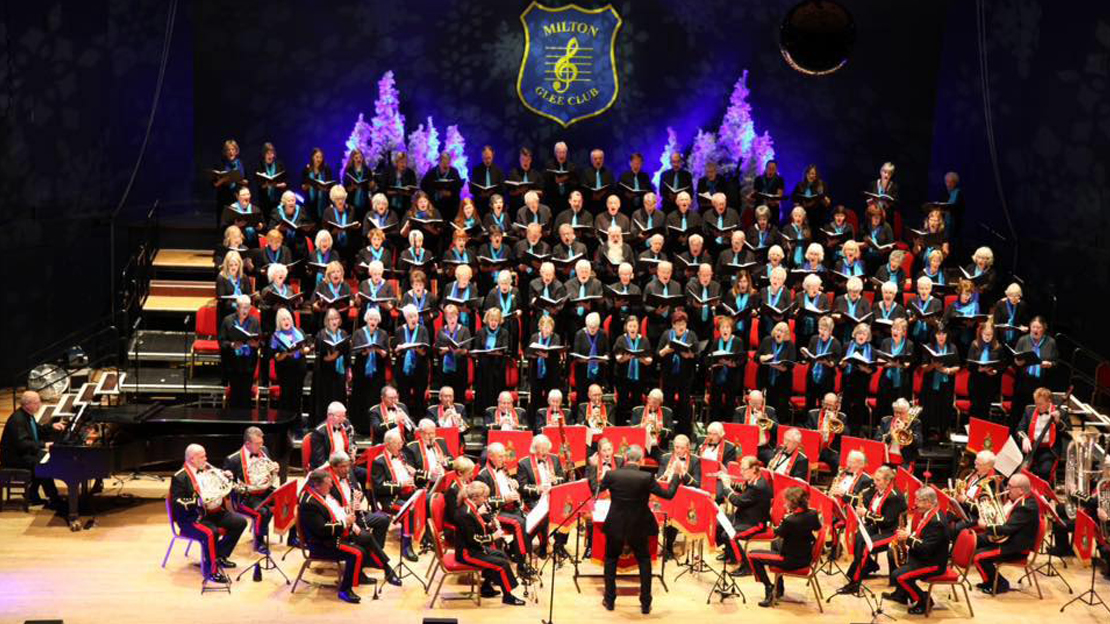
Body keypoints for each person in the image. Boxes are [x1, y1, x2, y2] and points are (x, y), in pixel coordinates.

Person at [599, 444, 683, 614]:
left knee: (611, 560)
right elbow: (668, 495)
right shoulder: (647, 477)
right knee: (644, 561)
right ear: (641, 460)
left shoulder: (611, 475)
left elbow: (594, 490)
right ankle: (645, 603)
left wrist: (596, 470)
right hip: (639, 525)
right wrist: (676, 474)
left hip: (616, 524)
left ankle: (610, 600)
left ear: (625, 458)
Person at [300, 468, 400, 604]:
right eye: (328, 484)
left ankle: (379, 570)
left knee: (365, 537)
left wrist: (351, 520)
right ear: (317, 485)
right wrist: (345, 523)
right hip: (323, 544)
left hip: (333, 535)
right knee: (357, 553)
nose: (331, 486)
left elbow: (336, 511)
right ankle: (345, 590)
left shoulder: (322, 495)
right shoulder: (309, 503)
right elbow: (321, 530)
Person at [170, 444, 247, 583]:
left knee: (239, 522)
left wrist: (226, 477)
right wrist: (198, 502)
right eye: (202, 457)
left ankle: (219, 556)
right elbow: (176, 502)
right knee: (211, 533)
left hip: (213, 513)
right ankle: (211, 571)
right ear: (192, 459)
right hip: (193, 518)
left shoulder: (208, 470)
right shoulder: (180, 477)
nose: (206, 459)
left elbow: (220, 488)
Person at [454, 481, 527, 605]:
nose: (486, 500)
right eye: (484, 497)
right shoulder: (465, 513)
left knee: (501, 555)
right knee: (502, 564)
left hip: (474, 548)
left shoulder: (471, 507)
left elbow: (475, 528)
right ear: (475, 497)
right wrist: (493, 536)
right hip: (467, 553)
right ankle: (508, 596)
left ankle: (486, 587)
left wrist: (489, 525)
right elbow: (473, 539)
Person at [749, 486, 822, 607]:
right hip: (806, 555)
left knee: (752, 555)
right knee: (775, 543)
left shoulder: (790, 520)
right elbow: (816, 527)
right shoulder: (813, 513)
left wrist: (783, 519)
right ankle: (779, 588)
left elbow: (777, 533)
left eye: (786, 501)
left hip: (791, 561)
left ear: (792, 503)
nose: (784, 503)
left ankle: (769, 588)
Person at [841, 465, 906, 593]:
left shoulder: (894, 497)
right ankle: (866, 566)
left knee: (866, 546)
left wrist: (865, 514)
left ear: (887, 481)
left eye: (878, 480)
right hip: (878, 528)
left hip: (891, 532)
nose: (874, 482)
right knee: (858, 537)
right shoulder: (878, 490)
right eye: (874, 479)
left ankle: (855, 583)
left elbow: (886, 520)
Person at [886, 487, 951, 613]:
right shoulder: (929, 513)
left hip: (933, 563)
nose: (915, 503)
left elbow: (926, 548)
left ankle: (924, 601)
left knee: (899, 576)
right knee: (892, 554)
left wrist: (908, 539)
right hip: (925, 556)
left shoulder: (937, 522)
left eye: (918, 500)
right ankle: (901, 595)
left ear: (929, 502)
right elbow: (923, 537)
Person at [972, 473, 1040, 594]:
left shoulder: (1026, 507)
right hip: (1009, 539)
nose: (1007, 489)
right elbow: (1006, 522)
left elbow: (1007, 528)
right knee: (975, 541)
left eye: (1010, 486)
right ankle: (990, 581)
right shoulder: (1019, 500)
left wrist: (985, 526)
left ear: (1020, 490)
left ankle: (999, 584)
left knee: (979, 556)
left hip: (1016, 547)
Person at [0, 391, 65, 507]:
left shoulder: (27, 415)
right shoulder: (18, 420)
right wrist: (44, 445)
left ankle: (33, 493)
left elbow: (37, 430)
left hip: (24, 453)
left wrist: (51, 426)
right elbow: (23, 443)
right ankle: (53, 498)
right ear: (27, 404)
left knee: (46, 460)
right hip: (15, 458)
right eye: (37, 403)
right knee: (44, 464)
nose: (39, 405)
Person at [475, 442, 531, 572]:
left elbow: (505, 486)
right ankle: (522, 564)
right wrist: (505, 499)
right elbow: (483, 502)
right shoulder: (483, 475)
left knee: (529, 519)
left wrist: (512, 484)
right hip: (495, 513)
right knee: (519, 523)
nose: (504, 459)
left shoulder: (503, 468)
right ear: (490, 456)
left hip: (509, 508)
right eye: (500, 456)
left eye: (504, 456)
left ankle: (514, 550)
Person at [223, 427, 278, 554]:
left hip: (265, 489)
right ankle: (259, 542)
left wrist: (273, 468)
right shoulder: (233, 459)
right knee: (263, 512)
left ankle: (292, 538)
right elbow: (227, 485)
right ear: (247, 444)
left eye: (261, 442)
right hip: (245, 497)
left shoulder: (264, 450)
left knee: (289, 498)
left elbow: (267, 469)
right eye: (258, 443)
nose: (261, 446)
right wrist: (228, 477)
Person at [516, 434, 570, 558]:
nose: (545, 453)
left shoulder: (555, 459)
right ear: (534, 449)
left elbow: (563, 479)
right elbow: (522, 487)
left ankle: (559, 545)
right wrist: (538, 489)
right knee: (544, 513)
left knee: (568, 510)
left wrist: (556, 480)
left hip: (555, 496)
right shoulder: (524, 463)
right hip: (535, 499)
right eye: (542, 450)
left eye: (547, 449)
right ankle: (544, 545)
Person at [717, 455, 772, 574]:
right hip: (745, 516)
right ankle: (731, 554)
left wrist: (726, 487)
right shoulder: (753, 480)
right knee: (719, 523)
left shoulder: (758, 486)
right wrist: (730, 482)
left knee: (730, 535)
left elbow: (738, 501)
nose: (741, 472)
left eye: (744, 469)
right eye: (740, 469)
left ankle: (745, 566)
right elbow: (742, 490)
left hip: (756, 523)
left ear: (753, 469)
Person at [371, 429, 419, 561]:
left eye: (401, 443)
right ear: (388, 444)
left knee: (426, 500)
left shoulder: (402, 456)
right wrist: (401, 485)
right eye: (397, 443)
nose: (401, 446)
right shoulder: (379, 462)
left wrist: (411, 474)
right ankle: (406, 547)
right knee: (408, 510)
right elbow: (379, 487)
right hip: (390, 499)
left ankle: (425, 537)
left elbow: (405, 474)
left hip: (407, 494)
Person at [657, 434, 701, 559]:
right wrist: (665, 475)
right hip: (667, 494)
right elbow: (659, 480)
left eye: (682, 448)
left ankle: (668, 546)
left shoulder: (695, 460)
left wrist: (683, 473)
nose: (679, 451)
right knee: (667, 507)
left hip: (685, 497)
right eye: (677, 447)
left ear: (688, 448)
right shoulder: (665, 458)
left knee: (676, 509)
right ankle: (664, 545)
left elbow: (697, 484)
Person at [1009, 316, 1058, 426]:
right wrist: (1017, 363)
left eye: (1039, 327)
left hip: (1041, 385)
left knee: (1035, 416)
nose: (1035, 330)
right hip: (1023, 383)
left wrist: (1050, 364)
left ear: (1044, 328)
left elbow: (1056, 363)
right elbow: (1015, 360)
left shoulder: (1051, 342)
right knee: (1017, 414)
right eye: (1033, 327)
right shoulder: (1023, 340)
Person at [657, 310, 699, 436]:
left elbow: (697, 354)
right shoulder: (667, 334)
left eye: (683, 323)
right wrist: (665, 351)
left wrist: (690, 355)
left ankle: (684, 433)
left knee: (684, 404)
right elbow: (658, 354)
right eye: (678, 323)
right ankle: (666, 432)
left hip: (685, 375)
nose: (681, 326)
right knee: (668, 402)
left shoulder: (691, 335)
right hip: (669, 375)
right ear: (673, 325)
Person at [919, 323, 960, 441]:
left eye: (943, 334)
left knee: (945, 409)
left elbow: (957, 366)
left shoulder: (952, 347)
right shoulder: (929, 347)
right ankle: (927, 434)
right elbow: (924, 367)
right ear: (934, 335)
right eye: (938, 334)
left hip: (946, 384)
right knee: (929, 409)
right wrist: (933, 365)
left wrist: (947, 370)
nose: (941, 336)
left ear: (947, 335)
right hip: (930, 384)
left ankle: (943, 434)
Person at [218, 295, 260, 409]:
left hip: (249, 363)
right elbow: (221, 341)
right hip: (233, 362)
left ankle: (246, 417)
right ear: (237, 307)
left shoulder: (254, 321)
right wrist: (232, 345)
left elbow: (260, 340)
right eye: (243, 307)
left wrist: (256, 344)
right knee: (235, 394)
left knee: (246, 394)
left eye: (248, 307)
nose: (245, 310)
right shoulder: (228, 320)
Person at [1016, 387, 1066, 481]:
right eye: (1036, 403)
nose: (1037, 406)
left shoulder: (1061, 413)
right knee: (1017, 470)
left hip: (1049, 450)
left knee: (1043, 471)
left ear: (1049, 401)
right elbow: (1020, 429)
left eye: (1040, 404)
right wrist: (1024, 438)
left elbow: (1067, 434)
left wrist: (1058, 422)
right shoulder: (1029, 410)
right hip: (1031, 448)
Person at [311, 307, 349, 425]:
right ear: (326, 321)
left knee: (338, 397)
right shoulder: (321, 334)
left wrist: (339, 357)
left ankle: (339, 422)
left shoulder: (343, 333)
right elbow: (318, 352)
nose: (334, 321)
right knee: (325, 399)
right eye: (331, 319)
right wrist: (329, 357)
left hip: (339, 372)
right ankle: (324, 423)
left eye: (336, 318)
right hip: (324, 373)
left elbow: (347, 353)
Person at [613, 315, 652, 424]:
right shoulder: (621, 339)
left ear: (638, 327)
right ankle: (620, 425)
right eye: (630, 326)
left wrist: (641, 359)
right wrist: (626, 358)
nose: (632, 328)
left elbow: (649, 359)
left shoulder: (644, 340)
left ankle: (637, 424)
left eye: (634, 326)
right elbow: (618, 358)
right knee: (622, 402)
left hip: (639, 378)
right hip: (623, 377)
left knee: (637, 402)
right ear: (626, 327)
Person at [270, 308, 309, 417]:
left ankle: (297, 422)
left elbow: (306, 348)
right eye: (283, 320)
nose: (286, 321)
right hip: (285, 371)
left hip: (299, 370)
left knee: (297, 398)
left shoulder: (299, 332)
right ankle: (285, 422)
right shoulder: (275, 336)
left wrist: (303, 350)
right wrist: (286, 353)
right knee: (286, 399)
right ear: (279, 322)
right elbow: (276, 357)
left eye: (288, 319)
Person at [525, 315, 564, 427]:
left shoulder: (556, 337)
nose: (547, 330)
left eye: (549, 327)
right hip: (536, 372)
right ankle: (534, 425)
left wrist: (548, 356)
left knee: (550, 398)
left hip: (551, 373)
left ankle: (550, 423)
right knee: (535, 399)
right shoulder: (534, 337)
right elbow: (528, 353)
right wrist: (535, 355)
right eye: (545, 327)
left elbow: (557, 355)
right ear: (540, 327)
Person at [393, 304, 431, 416]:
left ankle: (419, 419)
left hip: (419, 368)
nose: (413, 319)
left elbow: (426, 350)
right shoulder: (400, 330)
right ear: (406, 318)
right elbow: (395, 349)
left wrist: (417, 349)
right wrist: (399, 348)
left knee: (419, 398)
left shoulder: (423, 329)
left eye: (415, 316)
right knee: (404, 397)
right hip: (403, 369)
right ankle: (404, 420)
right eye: (410, 317)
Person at [706, 316, 746, 421]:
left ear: (731, 329)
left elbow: (742, 359)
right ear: (719, 330)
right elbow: (709, 359)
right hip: (717, 376)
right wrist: (714, 364)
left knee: (730, 402)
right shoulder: (715, 342)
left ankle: (728, 423)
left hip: (732, 376)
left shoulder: (738, 341)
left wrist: (732, 364)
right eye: (722, 327)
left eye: (727, 327)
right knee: (715, 401)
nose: (725, 330)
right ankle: (714, 422)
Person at [757, 321, 796, 423]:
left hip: (782, 383)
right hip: (766, 379)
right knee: (766, 408)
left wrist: (780, 367)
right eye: (778, 330)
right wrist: (763, 357)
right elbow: (757, 356)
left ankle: (778, 427)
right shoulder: (767, 340)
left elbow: (791, 364)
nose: (779, 333)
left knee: (780, 410)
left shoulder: (790, 345)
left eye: (782, 332)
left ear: (786, 334)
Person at [967, 321, 1005, 420]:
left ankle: (983, 428)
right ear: (981, 333)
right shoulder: (974, 344)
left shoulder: (998, 347)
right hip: (975, 381)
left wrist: (995, 371)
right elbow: (969, 365)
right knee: (975, 408)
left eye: (990, 334)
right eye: (985, 334)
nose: (988, 337)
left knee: (985, 408)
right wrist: (978, 369)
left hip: (990, 382)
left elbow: (1002, 365)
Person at [571, 312, 609, 410]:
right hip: (582, 372)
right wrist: (585, 360)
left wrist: (603, 358)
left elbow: (607, 352)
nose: (592, 329)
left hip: (599, 372)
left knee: (597, 397)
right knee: (582, 397)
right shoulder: (580, 334)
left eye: (595, 327)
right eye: (590, 327)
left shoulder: (603, 334)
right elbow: (576, 354)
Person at [308, 402, 359, 474]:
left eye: (344, 416)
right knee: (351, 478)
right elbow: (319, 460)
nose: (342, 419)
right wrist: (338, 470)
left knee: (366, 474)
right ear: (329, 416)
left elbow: (352, 442)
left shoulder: (346, 424)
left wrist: (353, 450)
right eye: (339, 416)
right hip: (326, 469)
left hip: (345, 466)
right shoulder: (319, 432)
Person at [403, 419, 453, 488]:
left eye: (433, 433)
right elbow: (411, 472)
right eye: (428, 434)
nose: (431, 436)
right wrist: (429, 474)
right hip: (425, 485)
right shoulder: (411, 448)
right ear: (421, 433)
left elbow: (453, 461)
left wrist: (444, 462)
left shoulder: (441, 442)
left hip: (444, 481)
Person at [735, 390, 779, 463]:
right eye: (753, 403)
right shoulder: (740, 411)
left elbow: (777, 430)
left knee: (773, 460)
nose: (755, 405)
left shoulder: (770, 411)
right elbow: (736, 430)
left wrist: (762, 420)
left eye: (758, 403)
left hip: (763, 447)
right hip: (745, 446)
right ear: (749, 401)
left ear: (762, 401)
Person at [877, 398, 923, 467]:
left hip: (905, 461)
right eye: (896, 412)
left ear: (907, 412)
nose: (898, 415)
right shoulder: (885, 421)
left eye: (901, 413)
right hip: (886, 459)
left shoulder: (915, 423)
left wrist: (905, 430)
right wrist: (891, 434)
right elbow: (877, 439)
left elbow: (919, 444)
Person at [807, 393, 847, 468]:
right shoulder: (813, 413)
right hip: (814, 448)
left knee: (839, 464)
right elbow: (807, 432)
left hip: (830, 450)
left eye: (830, 405)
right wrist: (815, 433)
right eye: (825, 404)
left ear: (836, 405)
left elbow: (845, 435)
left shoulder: (842, 416)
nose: (827, 407)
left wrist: (834, 419)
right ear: (822, 402)